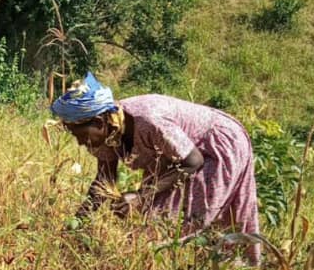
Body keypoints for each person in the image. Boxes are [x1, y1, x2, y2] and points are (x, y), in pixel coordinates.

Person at [51, 74, 261, 266]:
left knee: (173, 224)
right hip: (176, 157)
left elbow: (192, 161)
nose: (79, 142)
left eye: (80, 135)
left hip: (212, 146)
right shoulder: (106, 134)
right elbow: (104, 180)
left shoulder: (147, 121)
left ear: (99, 122)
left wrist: (141, 195)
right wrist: (76, 225)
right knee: (155, 222)